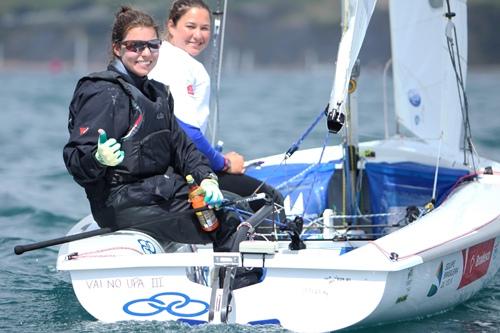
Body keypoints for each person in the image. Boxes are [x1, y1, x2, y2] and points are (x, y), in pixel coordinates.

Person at [63, 6, 237, 251]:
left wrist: (207, 178)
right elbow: (75, 161)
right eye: (135, 46)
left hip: (159, 194)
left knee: (238, 210)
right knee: (230, 224)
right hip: (120, 204)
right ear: (117, 48)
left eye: (153, 45)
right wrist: (97, 158)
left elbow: (184, 149)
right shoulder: (103, 93)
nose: (145, 53)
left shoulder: (159, 94)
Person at [149, 0, 285, 227]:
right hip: (178, 171)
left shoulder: (158, 56)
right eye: (190, 26)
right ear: (171, 26)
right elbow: (186, 132)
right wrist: (223, 163)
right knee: (270, 199)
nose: (198, 35)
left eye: (204, 28)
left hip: (164, 165)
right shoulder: (180, 64)